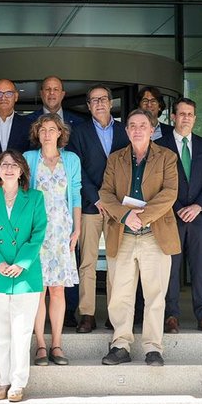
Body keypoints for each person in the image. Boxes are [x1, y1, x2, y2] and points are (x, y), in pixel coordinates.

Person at [99, 109, 179, 367]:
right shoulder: (115, 159)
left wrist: (141, 218)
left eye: (142, 125)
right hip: (122, 234)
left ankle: (153, 347)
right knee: (120, 294)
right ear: (126, 131)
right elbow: (106, 193)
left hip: (154, 235)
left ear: (152, 129)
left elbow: (169, 194)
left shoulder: (167, 157)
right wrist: (125, 217)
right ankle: (120, 344)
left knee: (155, 294)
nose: (136, 130)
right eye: (132, 125)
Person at [0, 151, 46, 402]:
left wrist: (21, 263)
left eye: (14, 165)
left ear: (22, 171)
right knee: (0, 332)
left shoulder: (35, 198)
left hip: (25, 275)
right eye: (4, 164)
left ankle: (18, 382)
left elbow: (38, 233)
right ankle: (3, 379)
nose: (9, 169)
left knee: (22, 331)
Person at [67, 84, 129, 333]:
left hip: (118, 207)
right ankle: (87, 314)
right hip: (91, 207)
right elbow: (76, 169)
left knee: (116, 262)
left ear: (111, 102)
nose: (100, 104)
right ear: (89, 105)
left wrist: (113, 201)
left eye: (103, 99)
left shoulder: (125, 131)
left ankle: (115, 315)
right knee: (87, 262)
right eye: (94, 100)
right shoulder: (78, 132)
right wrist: (97, 198)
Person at [155, 98, 202, 334]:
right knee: (170, 268)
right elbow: (157, 183)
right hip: (170, 217)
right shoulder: (160, 145)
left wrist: (197, 206)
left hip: (198, 217)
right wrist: (178, 207)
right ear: (173, 117)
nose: (185, 118)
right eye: (181, 114)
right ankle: (171, 315)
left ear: (195, 118)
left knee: (199, 268)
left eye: (189, 114)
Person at [24, 75, 82, 327]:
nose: (47, 134)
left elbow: (77, 195)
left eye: (52, 129)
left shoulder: (71, 160)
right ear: (37, 133)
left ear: (61, 132)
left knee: (57, 290)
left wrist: (77, 230)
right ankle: (39, 343)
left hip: (61, 232)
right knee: (38, 289)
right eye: (43, 129)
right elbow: (23, 196)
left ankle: (56, 342)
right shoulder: (27, 158)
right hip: (36, 231)